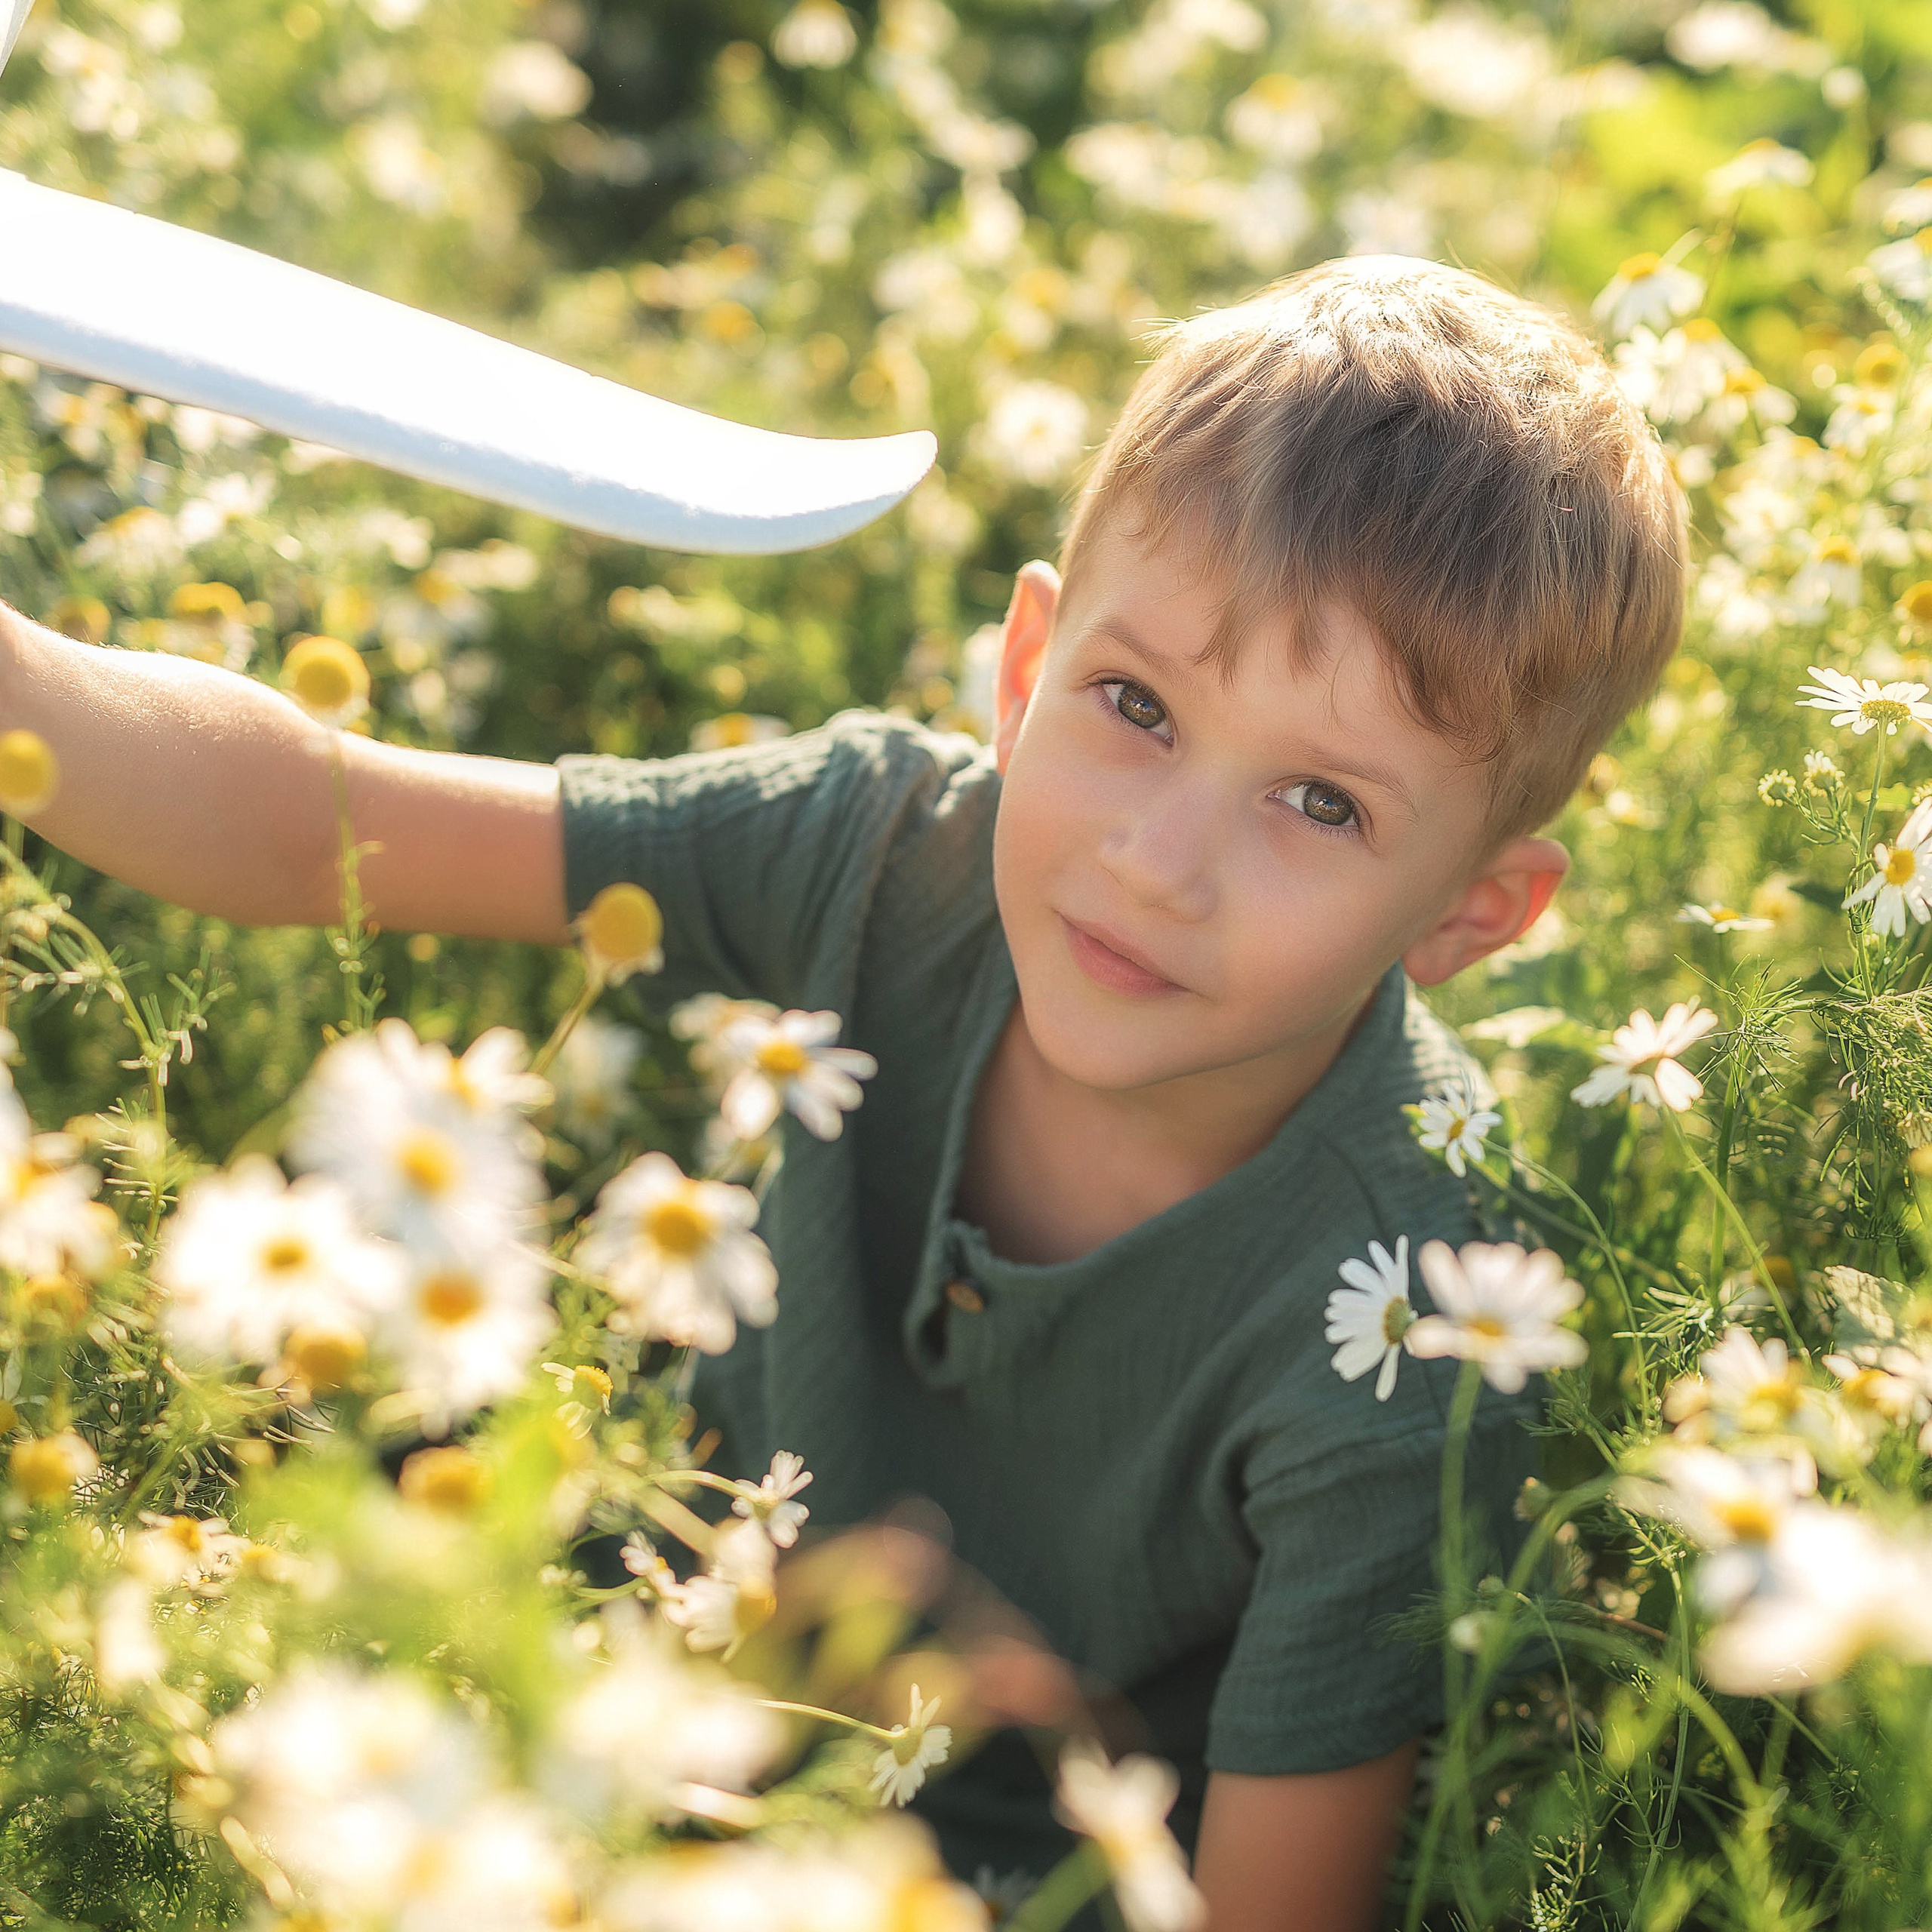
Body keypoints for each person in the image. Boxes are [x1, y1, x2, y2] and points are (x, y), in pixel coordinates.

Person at [0, 254, 1685, 1930]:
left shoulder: (1410, 1315)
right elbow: (318, 825)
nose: (1154, 862)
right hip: (578, 1681)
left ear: (1472, 911)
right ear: (1021, 672)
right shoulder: (878, 852)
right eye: (1134, 704)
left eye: (1318, 803)